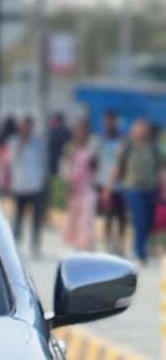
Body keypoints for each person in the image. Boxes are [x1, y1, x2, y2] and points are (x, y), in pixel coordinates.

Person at [114, 117, 162, 263]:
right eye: (138, 129)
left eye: (144, 130)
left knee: (148, 221)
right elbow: (119, 167)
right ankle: (140, 251)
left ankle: (142, 247)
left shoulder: (153, 148)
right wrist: (110, 186)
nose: (141, 132)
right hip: (133, 188)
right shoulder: (128, 147)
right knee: (140, 219)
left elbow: (161, 169)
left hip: (151, 188)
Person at [9, 115, 46, 255]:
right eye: (24, 127)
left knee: (36, 218)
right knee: (18, 217)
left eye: (28, 127)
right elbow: (11, 161)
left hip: (35, 186)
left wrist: (42, 181)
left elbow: (42, 162)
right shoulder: (14, 142)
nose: (26, 129)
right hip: (19, 186)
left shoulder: (38, 143)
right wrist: (21, 145)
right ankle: (15, 244)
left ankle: (35, 244)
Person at [61, 119, 98, 251]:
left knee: (86, 218)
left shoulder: (91, 151)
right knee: (73, 218)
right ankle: (74, 245)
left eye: (83, 132)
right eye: (78, 132)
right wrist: (68, 185)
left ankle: (85, 245)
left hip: (87, 189)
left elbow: (95, 168)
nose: (80, 135)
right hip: (74, 189)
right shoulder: (71, 149)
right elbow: (67, 168)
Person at [96, 109, 127, 254]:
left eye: (111, 120)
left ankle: (120, 244)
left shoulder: (123, 140)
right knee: (108, 213)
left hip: (122, 184)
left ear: (116, 121)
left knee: (121, 215)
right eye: (107, 120)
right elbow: (97, 161)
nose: (109, 123)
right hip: (105, 183)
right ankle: (107, 243)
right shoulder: (101, 139)